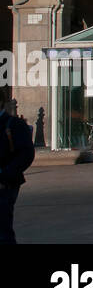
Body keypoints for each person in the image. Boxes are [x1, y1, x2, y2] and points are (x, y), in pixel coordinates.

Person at [0, 98, 35, 244]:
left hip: (4, 184)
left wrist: (5, 175)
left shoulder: (13, 124)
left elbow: (26, 154)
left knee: (2, 230)